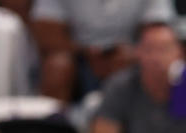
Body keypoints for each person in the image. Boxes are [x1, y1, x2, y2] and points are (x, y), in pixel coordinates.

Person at [30, 0, 176, 103]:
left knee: (158, 61)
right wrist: (88, 54)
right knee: (58, 65)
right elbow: (46, 32)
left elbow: (158, 31)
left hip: (129, 57)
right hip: (77, 57)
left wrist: (134, 54)